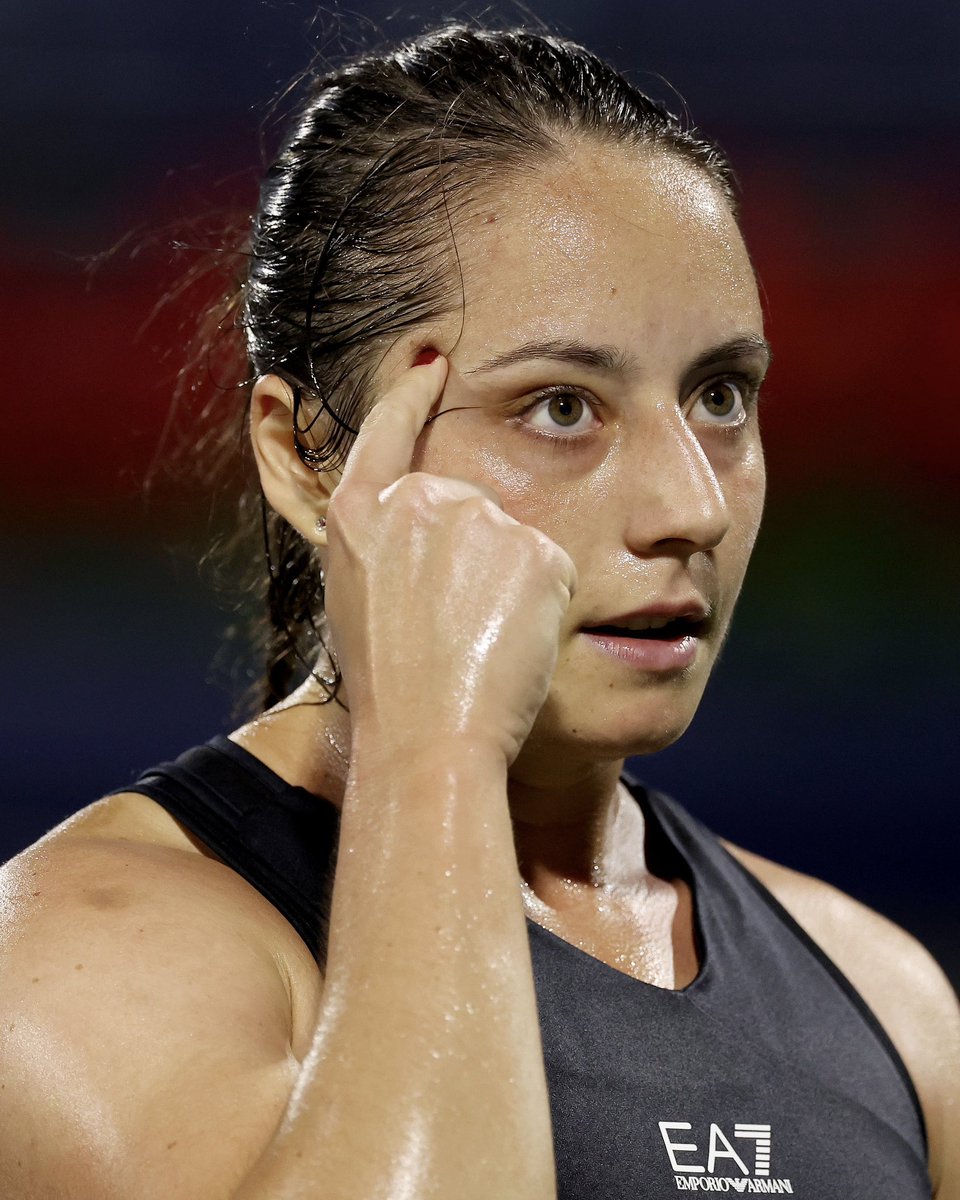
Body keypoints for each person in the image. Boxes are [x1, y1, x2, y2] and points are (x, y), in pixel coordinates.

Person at [0, 23, 956, 1200]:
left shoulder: (892, 1008)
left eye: (721, 395)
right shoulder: (84, 956)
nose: (691, 506)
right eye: (561, 407)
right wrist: (438, 747)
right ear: (308, 458)